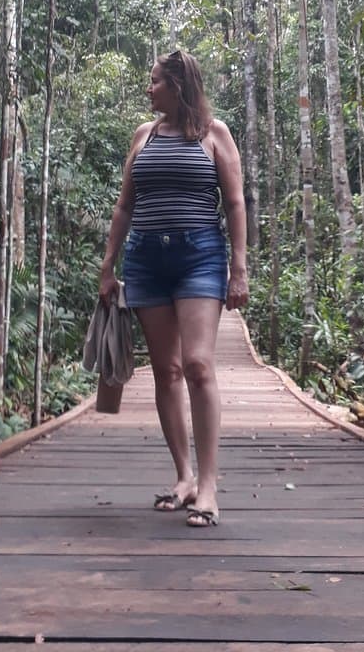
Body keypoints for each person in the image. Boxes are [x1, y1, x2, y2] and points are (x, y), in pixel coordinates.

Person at [98, 49, 249, 527]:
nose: (148, 89)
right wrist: (108, 266)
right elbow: (125, 206)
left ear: (178, 86)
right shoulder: (143, 135)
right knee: (166, 371)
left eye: (155, 81)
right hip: (146, 259)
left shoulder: (214, 134)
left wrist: (239, 269)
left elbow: (235, 203)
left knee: (198, 364)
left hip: (199, 256)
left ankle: (209, 486)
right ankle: (184, 476)